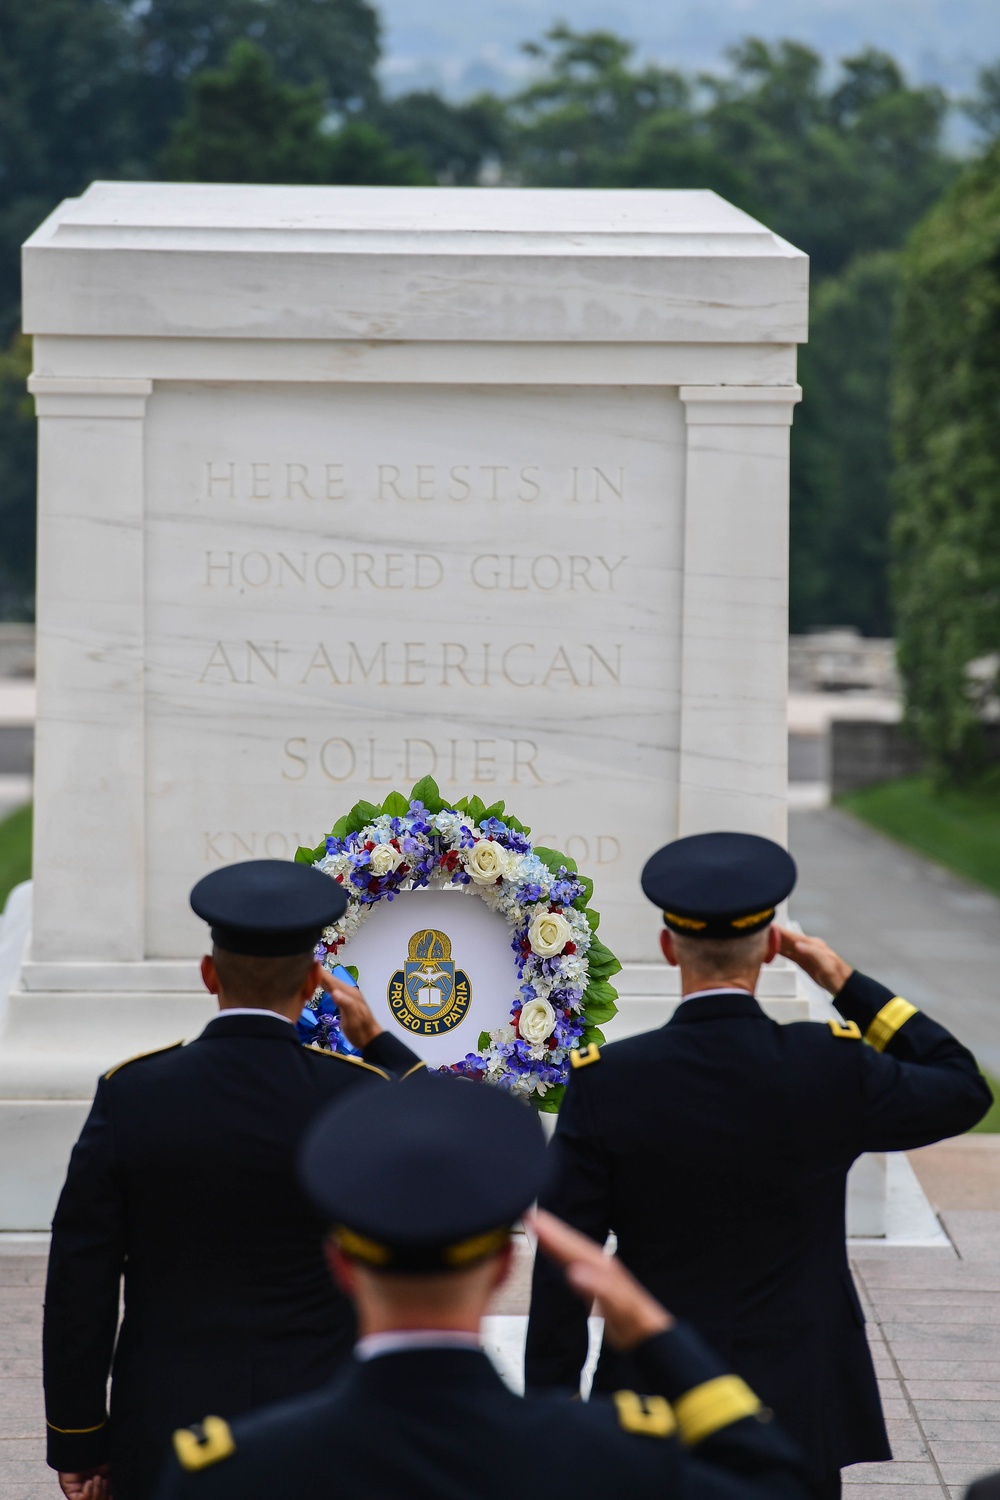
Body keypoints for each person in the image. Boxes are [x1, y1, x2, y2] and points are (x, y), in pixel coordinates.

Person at [525, 831, 992, 1500]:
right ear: (774, 949)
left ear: (667, 947)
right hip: (798, 1398)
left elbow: (567, 1257)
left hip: (656, 1398)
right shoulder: (828, 1066)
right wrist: (845, 983)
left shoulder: (610, 1082)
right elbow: (960, 1086)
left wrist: (552, 1409)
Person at [155, 1075, 809, 1500]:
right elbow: (776, 1482)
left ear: (341, 1266)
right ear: (504, 1266)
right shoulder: (610, 1460)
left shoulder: (231, 1475)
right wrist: (646, 1324)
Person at [43, 859, 422, 1500]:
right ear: (312, 986)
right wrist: (383, 1047)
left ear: (208, 974)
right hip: (322, 1420)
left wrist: (78, 1437)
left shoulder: (132, 1093)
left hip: (167, 1422)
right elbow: (459, 1154)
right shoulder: (358, 1096)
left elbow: (82, 1276)